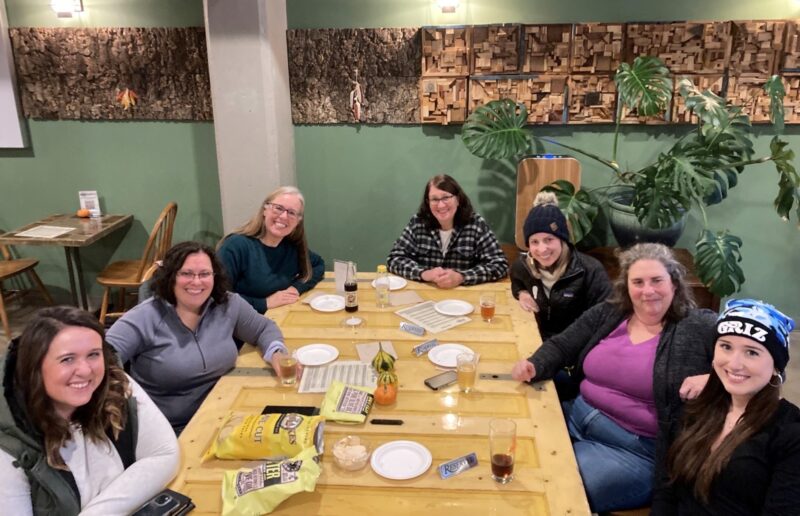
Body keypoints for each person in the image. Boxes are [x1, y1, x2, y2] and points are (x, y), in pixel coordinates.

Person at [511, 243, 717, 512]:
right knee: (512, 450)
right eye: (638, 282)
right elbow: (563, 345)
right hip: (574, 416)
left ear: (674, 284)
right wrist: (534, 364)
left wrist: (715, 380)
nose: (648, 290)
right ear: (627, 286)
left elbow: (764, 357)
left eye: (657, 280)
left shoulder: (699, 326)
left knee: (548, 486)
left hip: (633, 449)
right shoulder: (611, 312)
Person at [0, 306, 180, 515]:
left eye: (93, 355)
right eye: (67, 359)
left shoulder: (114, 383)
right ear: (35, 368)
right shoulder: (8, 446)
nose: (86, 371)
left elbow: (164, 454)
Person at [106, 241, 288, 434]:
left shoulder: (228, 303)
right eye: (186, 274)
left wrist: (277, 352)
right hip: (170, 430)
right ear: (170, 277)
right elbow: (104, 355)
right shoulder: (145, 316)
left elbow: (263, 328)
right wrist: (119, 395)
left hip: (225, 415)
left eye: (204, 274)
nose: (197, 281)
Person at [653, 299, 799, 515]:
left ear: (776, 365)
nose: (734, 364)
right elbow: (666, 488)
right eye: (726, 346)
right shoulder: (696, 408)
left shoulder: (790, 434)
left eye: (752, 352)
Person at [511, 191, 611, 340]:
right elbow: (516, 281)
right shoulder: (523, 266)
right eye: (534, 242)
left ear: (562, 240)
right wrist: (522, 293)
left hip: (576, 346)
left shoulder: (591, 270)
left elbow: (605, 318)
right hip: (537, 341)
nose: (542, 249)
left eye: (549, 239)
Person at [387, 174, 508, 288]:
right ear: (428, 203)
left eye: (446, 197)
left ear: (458, 199)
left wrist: (462, 277)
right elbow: (394, 259)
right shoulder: (418, 223)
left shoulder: (476, 224)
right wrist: (424, 273)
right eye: (434, 199)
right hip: (426, 295)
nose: (440, 205)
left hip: (463, 299)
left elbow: (499, 265)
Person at [218, 186, 324, 313]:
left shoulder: (291, 248)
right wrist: (264, 303)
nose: (284, 216)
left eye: (291, 212)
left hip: (278, 317)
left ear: (297, 221)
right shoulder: (236, 245)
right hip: (240, 324)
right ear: (265, 210)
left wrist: (296, 288)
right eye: (278, 208)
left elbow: (318, 265)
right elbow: (219, 296)